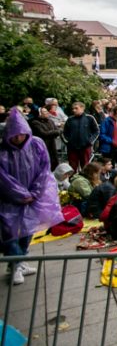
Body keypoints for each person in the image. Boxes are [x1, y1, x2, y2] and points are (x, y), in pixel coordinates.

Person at [0, 109, 62, 286]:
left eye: (21, 134)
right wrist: (20, 194)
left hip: (33, 197)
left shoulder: (37, 144)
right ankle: (15, 264)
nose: (18, 138)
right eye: (15, 135)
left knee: (28, 230)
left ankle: (20, 261)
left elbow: (44, 169)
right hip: (8, 201)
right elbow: (3, 179)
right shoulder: (2, 151)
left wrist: (34, 192)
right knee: (9, 232)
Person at [63, 102, 99, 171]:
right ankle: (72, 181)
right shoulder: (70, 119)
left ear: (82, 108)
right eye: (73, 108)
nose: (74, 110)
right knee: (72, 168)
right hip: (72, 148)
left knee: (85, 168)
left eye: (76, 108)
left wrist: (90, 141)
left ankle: (85, 181)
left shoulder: (90, 118)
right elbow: (64, 132)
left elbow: (96, 131)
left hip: (85, 147)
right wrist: (68, 142)